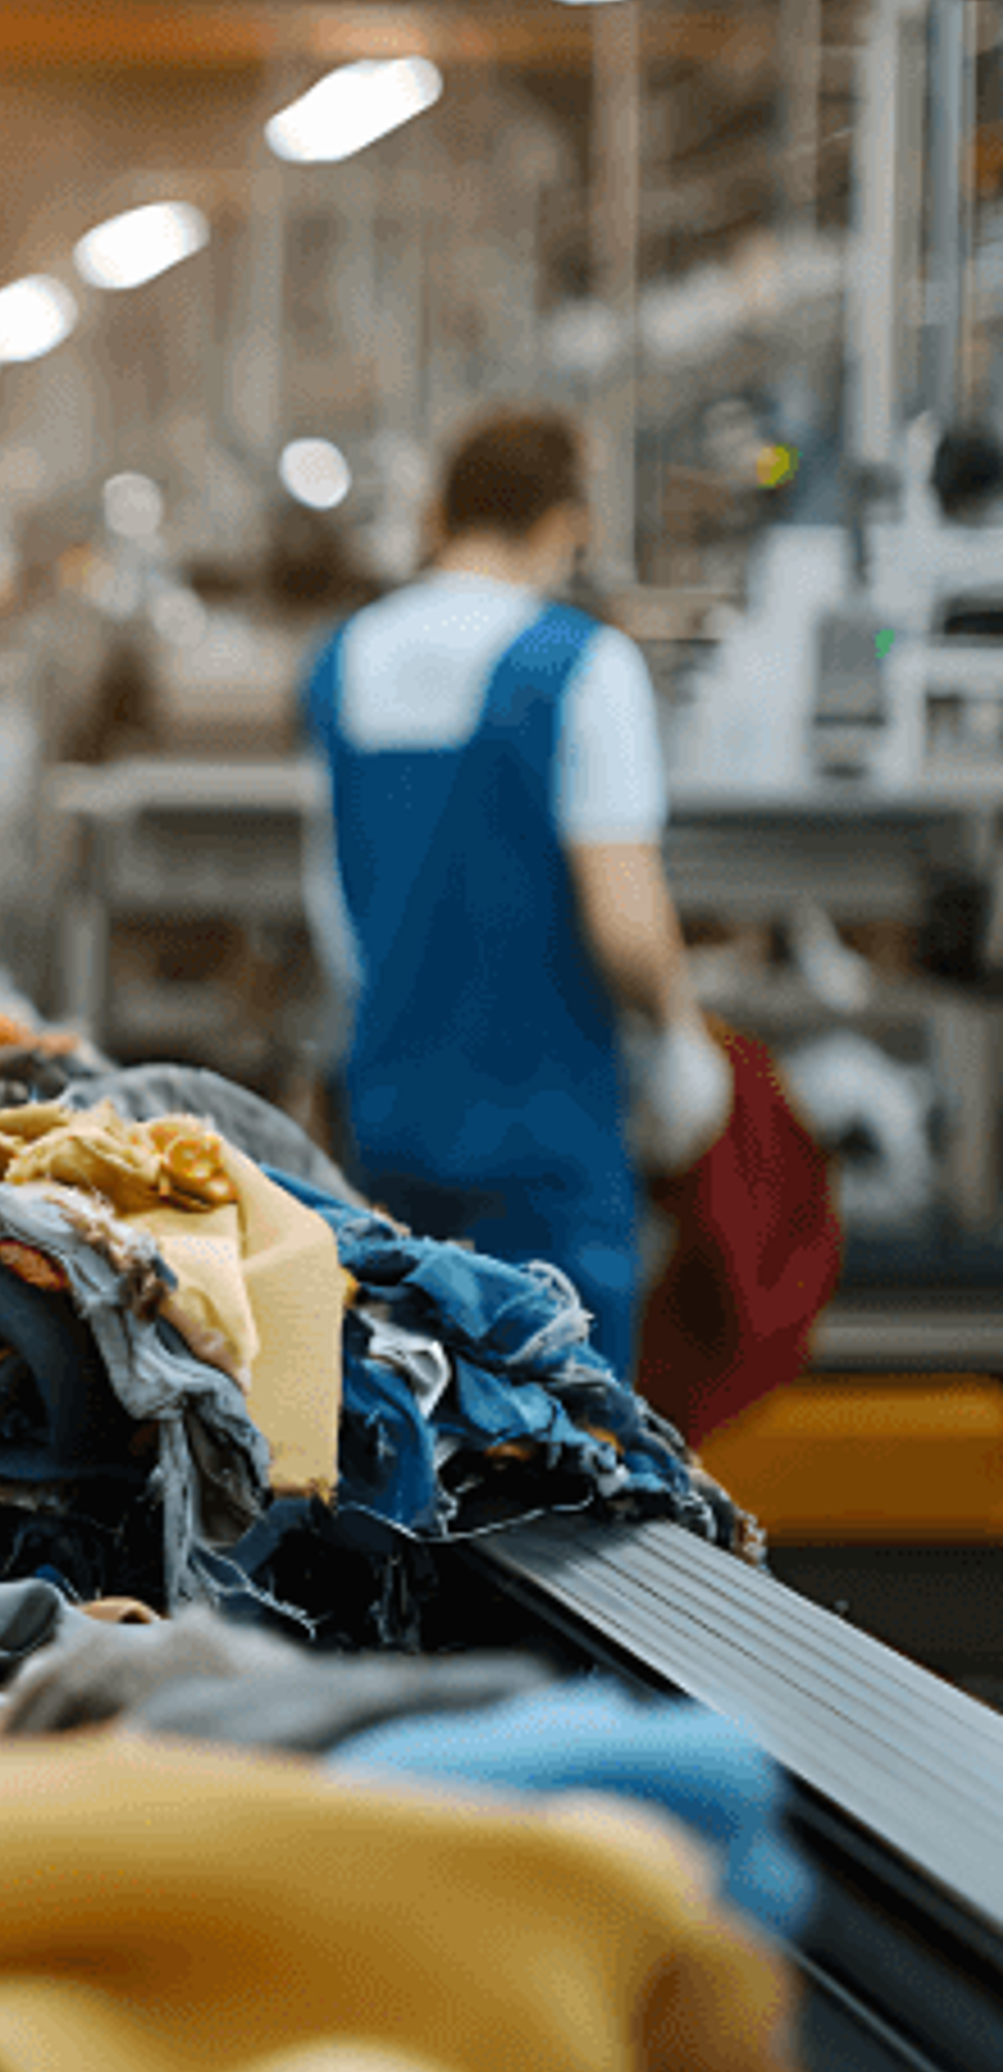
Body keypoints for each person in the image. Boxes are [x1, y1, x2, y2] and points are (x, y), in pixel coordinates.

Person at [301, 407, 718, 1375]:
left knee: (404, 1407)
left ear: (442, 514)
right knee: (563, 1424)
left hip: (387, 1114)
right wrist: (681, 1034)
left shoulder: (345, 658)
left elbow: (333, 909)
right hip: (546, 1134)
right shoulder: (582, 665)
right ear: (567, 521)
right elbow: (625, 919)